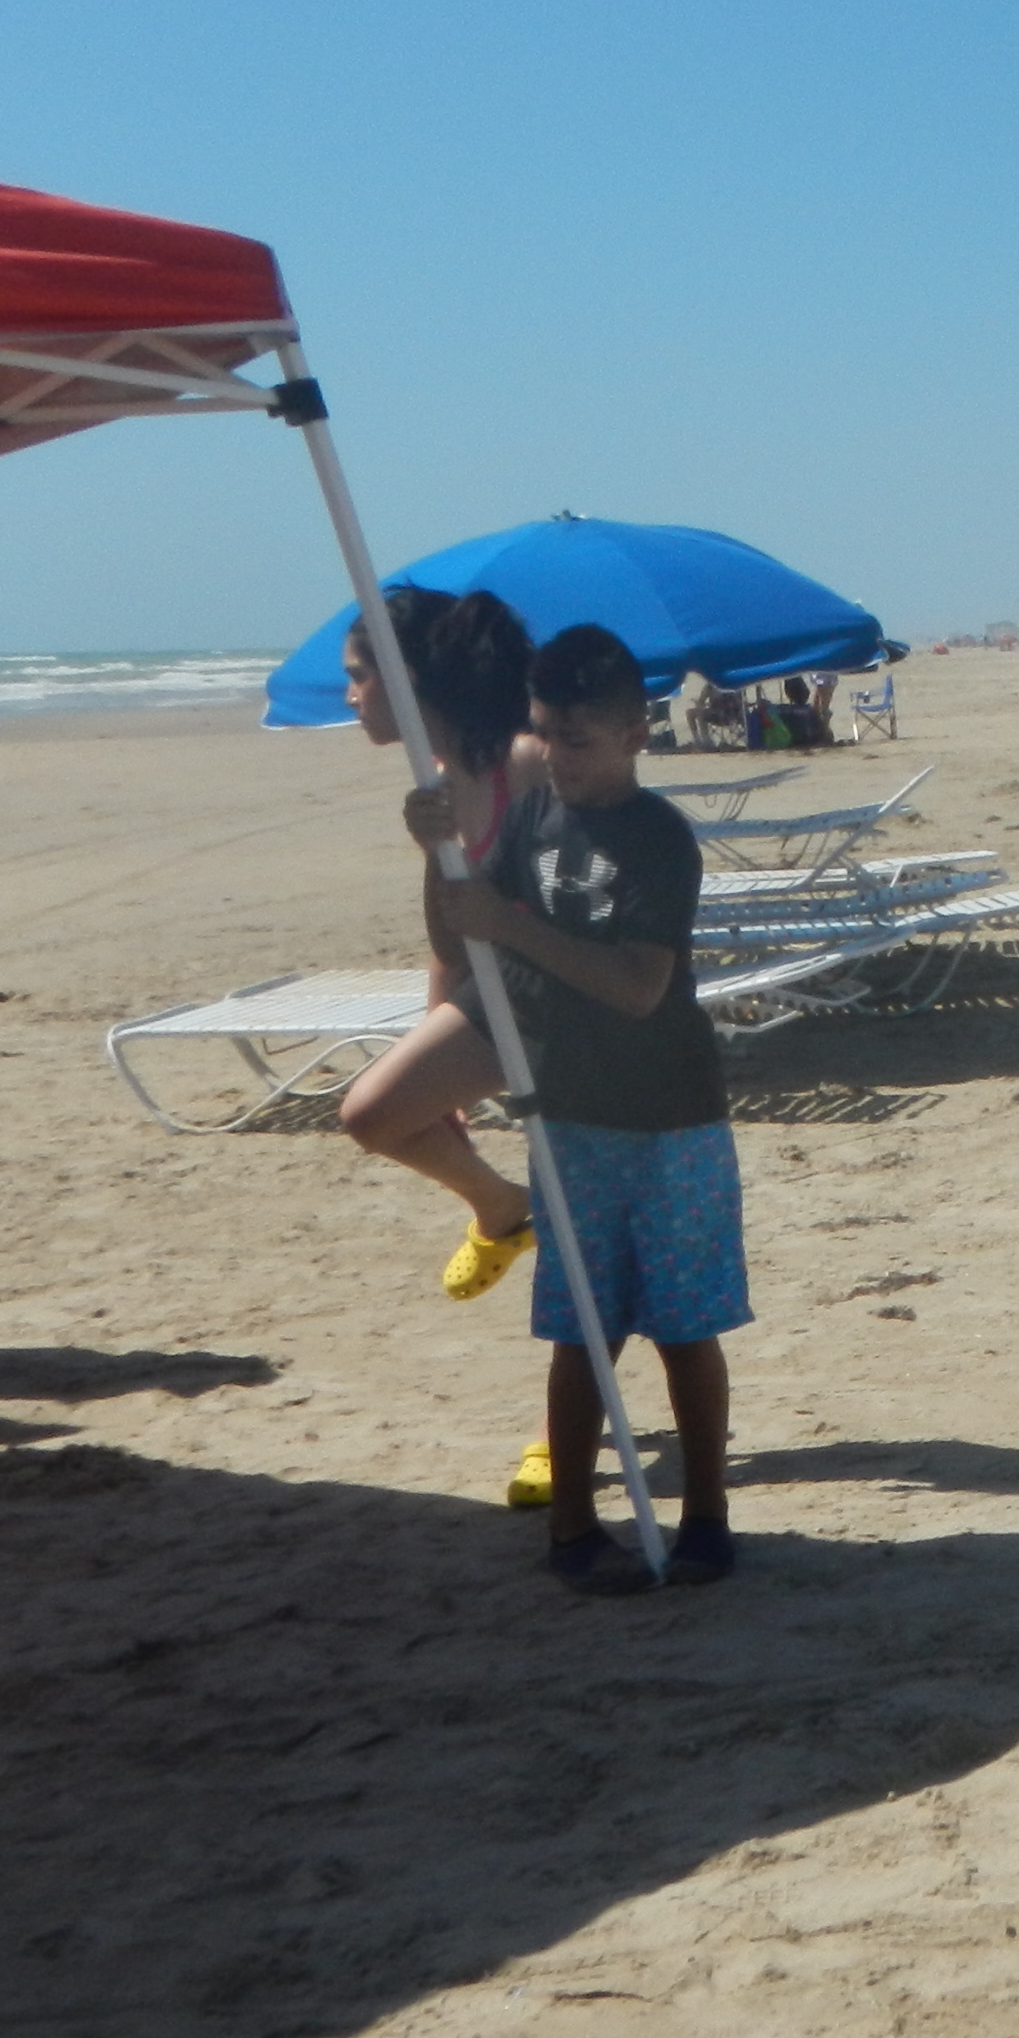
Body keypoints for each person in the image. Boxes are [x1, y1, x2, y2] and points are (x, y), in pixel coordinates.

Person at [408, 621, 744, 1595]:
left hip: (669, 1113)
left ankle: (708, 1519)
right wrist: (439, 858)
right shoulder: (529, 821)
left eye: (579, 742)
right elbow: (462, 938)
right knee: (580, 1330)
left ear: (638, 734)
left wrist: (514, 926)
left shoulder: (656, 840)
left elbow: (639, 983)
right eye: (545, 736)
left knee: (685, 1327)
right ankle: (571, 1529)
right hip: (568, 1115)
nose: (557, 760)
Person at [330, 587, 547, 1298]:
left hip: (549, 989)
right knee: (377, 1113)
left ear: (407, 680)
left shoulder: (523, 764)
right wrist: (434, 847)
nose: (350, 695)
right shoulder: (450, 782)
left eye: (360, 676)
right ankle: (499, 1205)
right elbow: (449, 937)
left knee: (369, 1111)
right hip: (493, 991)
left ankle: (501, 1207)